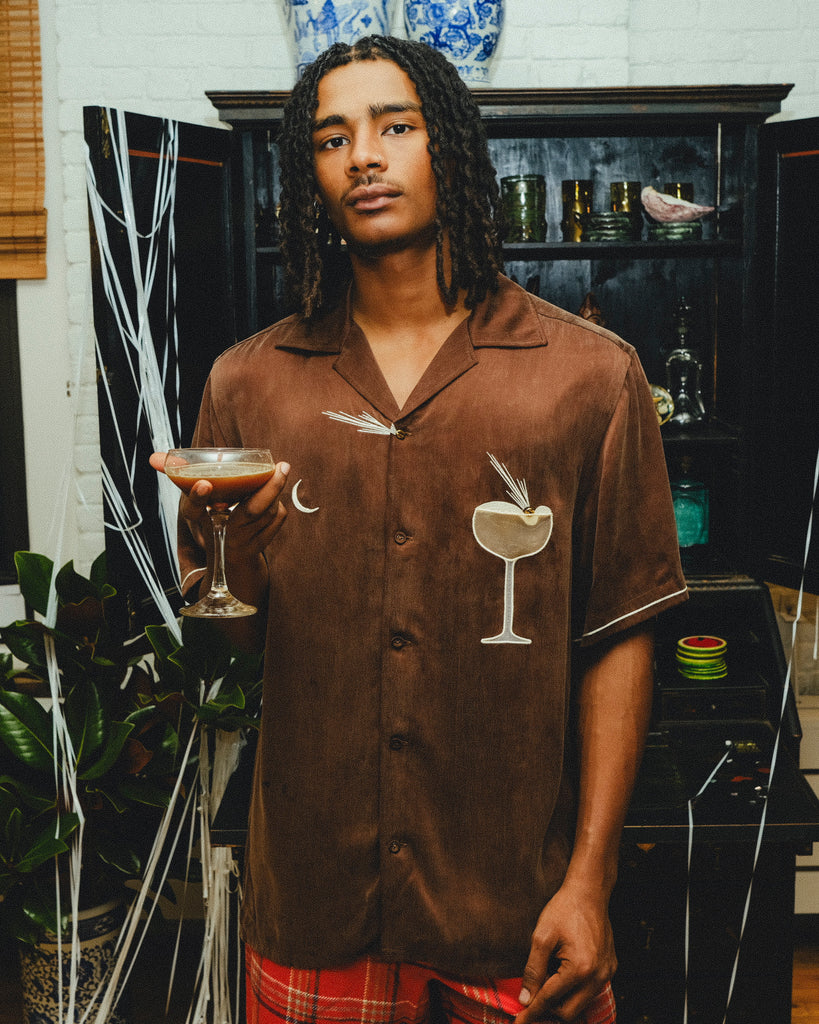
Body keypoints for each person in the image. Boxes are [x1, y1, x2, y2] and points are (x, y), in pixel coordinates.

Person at [152, 34, 687, 1024]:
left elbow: (620, 633)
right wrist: (240, 557)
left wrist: (589, 881)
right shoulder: (249, 382)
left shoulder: (587, 376)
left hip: (517, 907)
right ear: (308, 175)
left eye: (395, 125)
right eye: (332, 136)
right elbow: (224, 650)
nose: (363, 154)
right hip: (315, 901)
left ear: (451, 146)